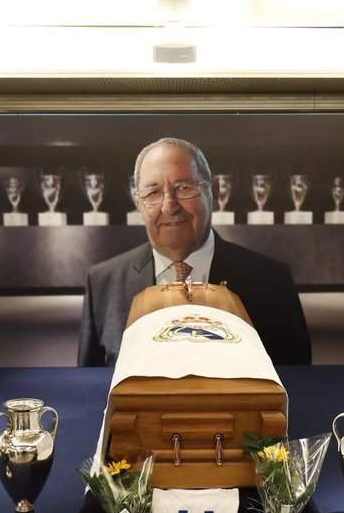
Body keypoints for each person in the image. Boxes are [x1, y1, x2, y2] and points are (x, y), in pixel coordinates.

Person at [77, 137, 311, 367]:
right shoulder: (103, 284)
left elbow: (298, 382)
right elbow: (87, 386)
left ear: (214, 191)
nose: (169, 206)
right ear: (138, 203)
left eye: (183, 188)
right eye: (153, 193)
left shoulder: (271, 282)